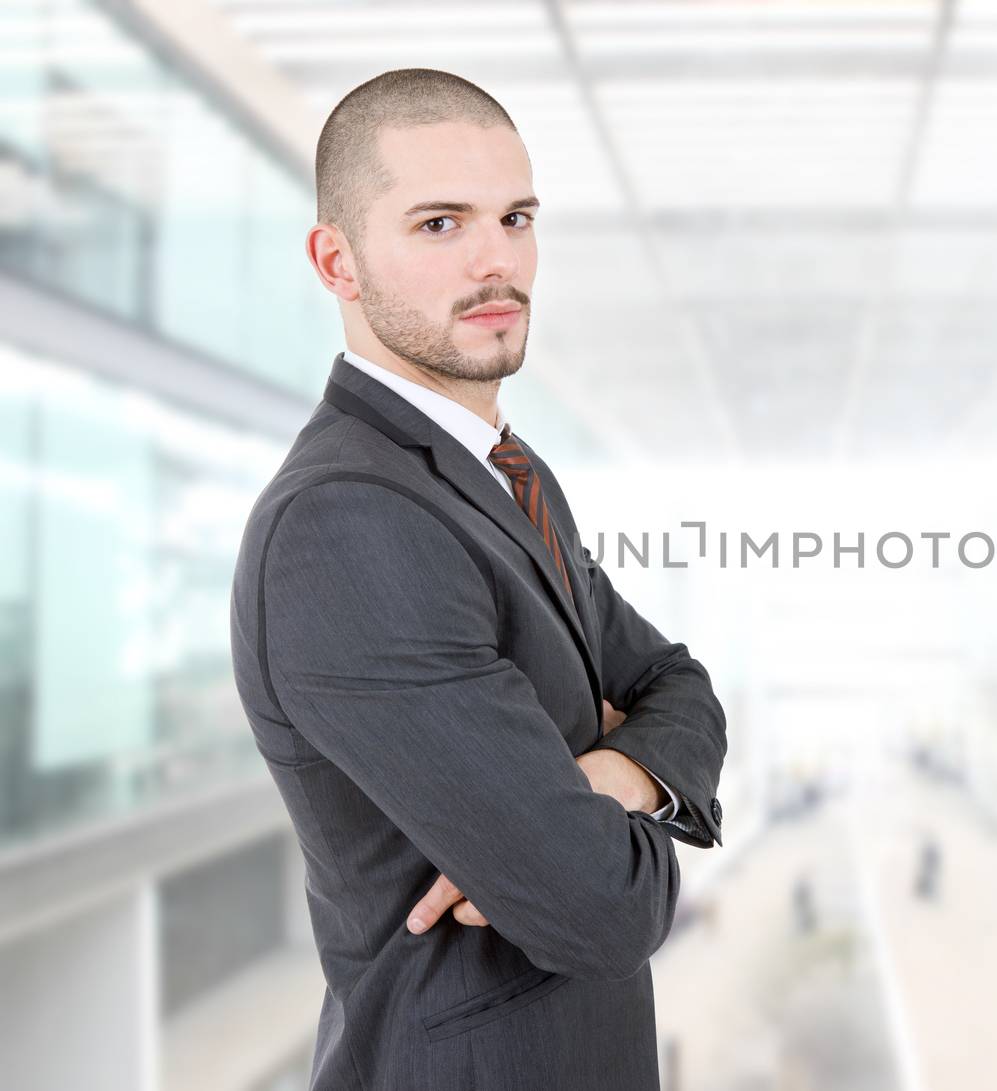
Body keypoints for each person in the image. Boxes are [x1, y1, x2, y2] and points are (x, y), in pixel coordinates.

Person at [228, 67, 727, 1091]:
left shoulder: (507, 473)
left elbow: (682, 685)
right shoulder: (346, 523)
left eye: (516, 216)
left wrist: (602, 778)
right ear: (339, 261)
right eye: (440, 224)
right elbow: (600, 905)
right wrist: (588, 826)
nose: (497, 258)